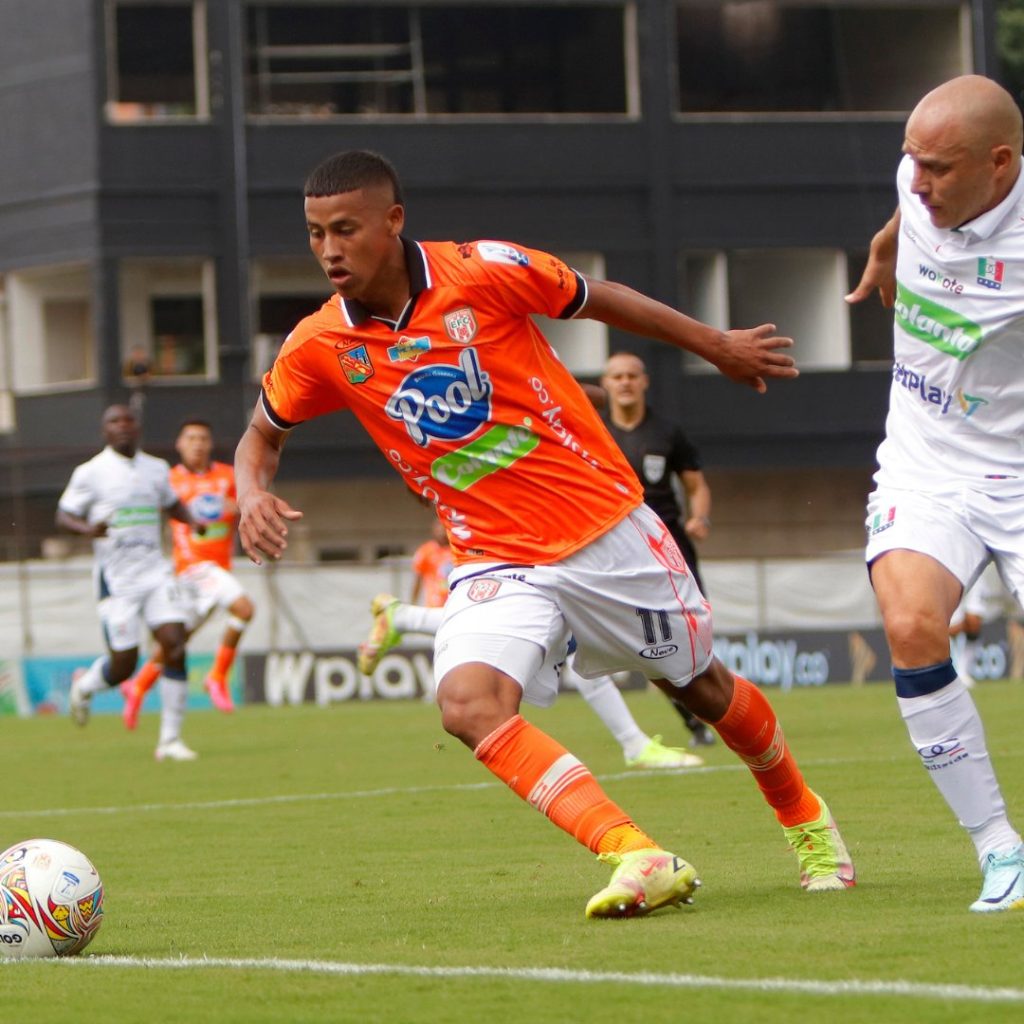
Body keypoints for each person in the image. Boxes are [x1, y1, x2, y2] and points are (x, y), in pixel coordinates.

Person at [236, 150, 854, 918]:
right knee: (466, 705)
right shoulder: (322, 346)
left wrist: (713, 344)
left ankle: (806, 821)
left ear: (393, 221)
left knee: (699, 686)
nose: (329, 250)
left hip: (605, 531)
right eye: (315, 233)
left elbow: (604, 299)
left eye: (346, 230)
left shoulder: (484, 270)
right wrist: (250, 491)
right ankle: (635, 853)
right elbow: (260, 436)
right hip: (493, 555)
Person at [845, 74, 1024, 913]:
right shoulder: (918, 183)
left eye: (939, 169)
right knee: (912, 623)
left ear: (1000, 163)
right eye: (910, 162)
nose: (918, 183)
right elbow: (903, 209)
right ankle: (999, 849)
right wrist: (887, 245)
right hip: (927, 460)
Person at [359, 531, 705, 770]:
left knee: (574, 647)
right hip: (521, 562)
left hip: (520, 563)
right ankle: (635, 746)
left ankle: (635, 744)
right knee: (552, 638)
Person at [56, 404, 200, 761]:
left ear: (138, 428)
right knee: (125, 665)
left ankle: (169, 741)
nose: (123, 426)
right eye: (114, 422)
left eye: (129, 420)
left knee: (175, 645)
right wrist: (88, 529)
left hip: (154, 572)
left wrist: (192, 520)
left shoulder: (156, 468)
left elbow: (171, 504)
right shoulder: (90, 473)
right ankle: (85, 685)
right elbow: (63, 515)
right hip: (116, 580)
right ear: (104, 431)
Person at [601, 350, 717, 747]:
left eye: (632, 375)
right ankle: (694, 719)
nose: (625, 382)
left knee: (690, 628)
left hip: (669, 543)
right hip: (615, 546)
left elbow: (696, 486)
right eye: (617, 376)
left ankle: (714, 705)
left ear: (644, 381)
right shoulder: (594, 433)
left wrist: (699, 518)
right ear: (606, 384)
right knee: (644, 640)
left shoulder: (668, 432)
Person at [121, 418, 256, 726]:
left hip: (216, 569)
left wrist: (236, 506)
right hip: (191, 568)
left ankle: (137, 686)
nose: (197, 444)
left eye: (203, 438)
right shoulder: (168, 480)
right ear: (180, 444)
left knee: (177, 641)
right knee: (245, 608)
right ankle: (217, 677)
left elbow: (245, 504)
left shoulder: (226, 476)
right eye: (191, 438)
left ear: (210, 444)